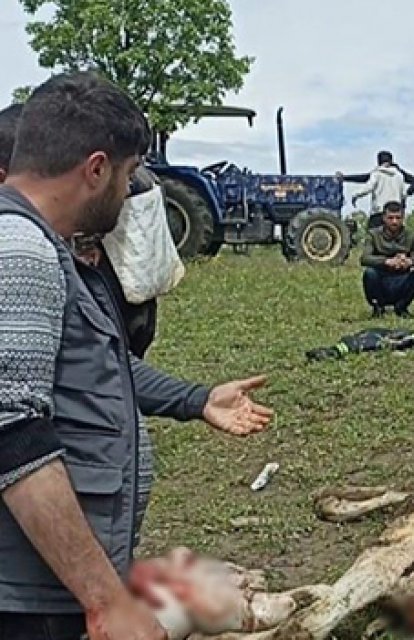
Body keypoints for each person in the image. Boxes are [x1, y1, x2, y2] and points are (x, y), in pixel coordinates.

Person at [0, 71, 274, 640]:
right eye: (126, 176)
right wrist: (104, 601)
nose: (127, 194)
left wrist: (197, 399)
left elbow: (101, 368)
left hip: (51, 588)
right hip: (28, 602)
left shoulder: (54, 252)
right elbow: (13, 435)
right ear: (96, 169)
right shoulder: (21, 251)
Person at [359, 201, 414, 318]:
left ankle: (402, 306)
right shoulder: (373, 235)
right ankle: (378, 308)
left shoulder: (412, 235)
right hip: (381, 280)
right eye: (390, 218)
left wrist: (409, 261)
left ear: (403, 218)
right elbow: (364, 259)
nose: (394, 221)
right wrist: (387, 261)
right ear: (384, 218)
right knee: (370, 273)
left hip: (402, 280)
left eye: (398, 218)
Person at [347, 150, 414, 229]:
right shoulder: (400, 175)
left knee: (374, 238)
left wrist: (355, 195)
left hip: (379, 213)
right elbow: (404, 194)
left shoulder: (377, 174)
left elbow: (369, 187)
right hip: (395, 213)